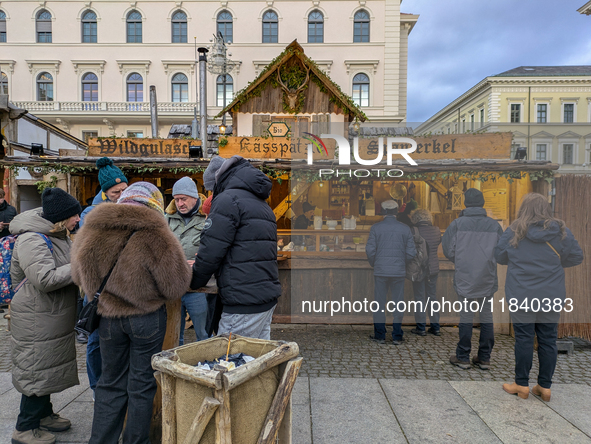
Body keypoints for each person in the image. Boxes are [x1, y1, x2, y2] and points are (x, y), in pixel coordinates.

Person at [71, 182, 190, 444]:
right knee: (141, 385)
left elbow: (78, 276)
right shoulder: (157, 231)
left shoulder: (92, 227)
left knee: (109, 383)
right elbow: (175, 285)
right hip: (146, 318)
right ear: (155, 203)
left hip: (108, 319)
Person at [10, 188, 81, 443]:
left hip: (48, 315)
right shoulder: (32, 239)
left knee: (46, 365)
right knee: (35, 368)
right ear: (62, 217)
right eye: (74, 215)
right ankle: (24, 428)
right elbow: (44, 278)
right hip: (35, 317)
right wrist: (81, 265)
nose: (78, 220)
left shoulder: (56, 234)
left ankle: (43, 415)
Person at [495, 193, 583, 400]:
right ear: (547, 209)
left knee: (524, 339)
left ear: (523, 209)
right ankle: (544, 387)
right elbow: (577, 256)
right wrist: (554, 265)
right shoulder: (561, 231)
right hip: (551, 294)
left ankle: (521, 385)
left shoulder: (514, 230)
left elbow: (499, 256)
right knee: (548, 339)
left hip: (521, 293)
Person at [190, 155, 281, 340]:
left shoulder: (227, 200)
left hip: (242, 302)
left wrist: (193, 281)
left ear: (218, 182)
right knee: (255, 362)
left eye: (211, 190)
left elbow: (211, 251)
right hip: (263, 298)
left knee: (230, 364)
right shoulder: (261, 204)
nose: (212, 195)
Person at [79, 157, 128, 397]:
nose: (121, 194)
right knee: (96, 339)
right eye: (116, 191)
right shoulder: (90, 213)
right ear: (105, 192)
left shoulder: (128, 209)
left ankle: (114, 384)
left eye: (124, 189)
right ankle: (97, 387)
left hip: (119, 286)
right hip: (97, 286)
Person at [442, 188, 503, 370]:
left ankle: (463, 356)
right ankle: (484, 357)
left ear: (465, 203)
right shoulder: (494, 226)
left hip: (465, 276)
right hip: (487, 276)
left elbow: (448, 250)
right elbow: (501, 252)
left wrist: (461, 260)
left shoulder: (457, 224)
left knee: (466, 316)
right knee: (486, 316)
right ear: (483, 203)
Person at [365, 200, 416, 345]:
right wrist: (401, 261)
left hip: (381, 271)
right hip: (398, 271)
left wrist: (376, 263)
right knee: (398, 303)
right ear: (396, 211)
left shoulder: (376, 228)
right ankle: (397, 336)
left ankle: (380, 335)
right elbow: (411, 252)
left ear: (383, 211)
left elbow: (370, 250)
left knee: (379, 303)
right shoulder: (405, 228)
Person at [166, 176, 208, 344]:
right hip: (172, 285)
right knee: (174, 334)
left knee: (203, 334)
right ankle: (177, 367)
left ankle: (206, 365)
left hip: (198, 285)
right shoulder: (167, 218)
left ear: (195, 198)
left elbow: (214, 249)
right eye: (176, 199)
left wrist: (199, 263)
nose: (180, 203)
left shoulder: (207, 217)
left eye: (184, 199)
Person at [410, 208, 442, 336]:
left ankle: (421, 327)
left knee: (419, 298)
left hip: (419, 268)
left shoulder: (414, 231)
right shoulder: (437, 230)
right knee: (432, 297)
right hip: (433, 268)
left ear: (415, 219)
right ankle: (435, 326)